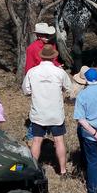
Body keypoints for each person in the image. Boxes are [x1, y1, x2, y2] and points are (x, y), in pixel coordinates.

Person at [22, 44, 73, 177]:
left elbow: (26, 91)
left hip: (38, 112)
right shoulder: (59, 72)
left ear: (41, 56)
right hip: (55, 113)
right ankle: (62, 170)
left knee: (37, 140)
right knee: (59, 141)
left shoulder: (32, 72)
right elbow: (68, 87)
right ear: (53, 57)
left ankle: (34, 169)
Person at [24, 23, 61, 143]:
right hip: (39, 81)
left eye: (49, 35)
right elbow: (29, 68)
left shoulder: (51, 45)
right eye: (45, 35)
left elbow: (54, 60)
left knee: (52, 105)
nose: (48, 37)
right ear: (39, 35)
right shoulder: (31, 48)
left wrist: (58, 66)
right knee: (40, 107)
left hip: (52, 80)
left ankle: (47, 129)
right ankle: (32, 135)